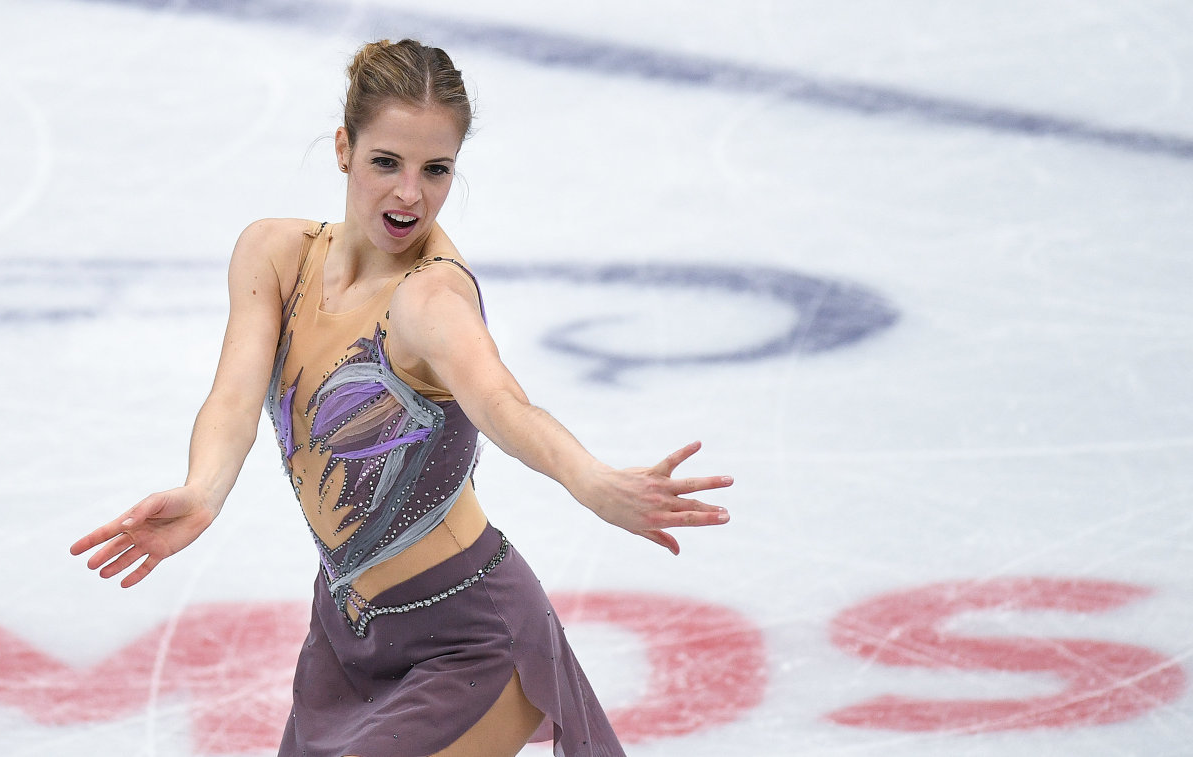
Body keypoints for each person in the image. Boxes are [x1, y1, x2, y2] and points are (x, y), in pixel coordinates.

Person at [71, 38, 732, 757]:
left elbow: (503, 404)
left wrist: (589, 478)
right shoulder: (274, 255)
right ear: (343, 148)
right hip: (348, 634)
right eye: (387, 162)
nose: (410, 194)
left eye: (436, 169)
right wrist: (202, 492)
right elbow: (233, 396)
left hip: (467, 640)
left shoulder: (431, 299)